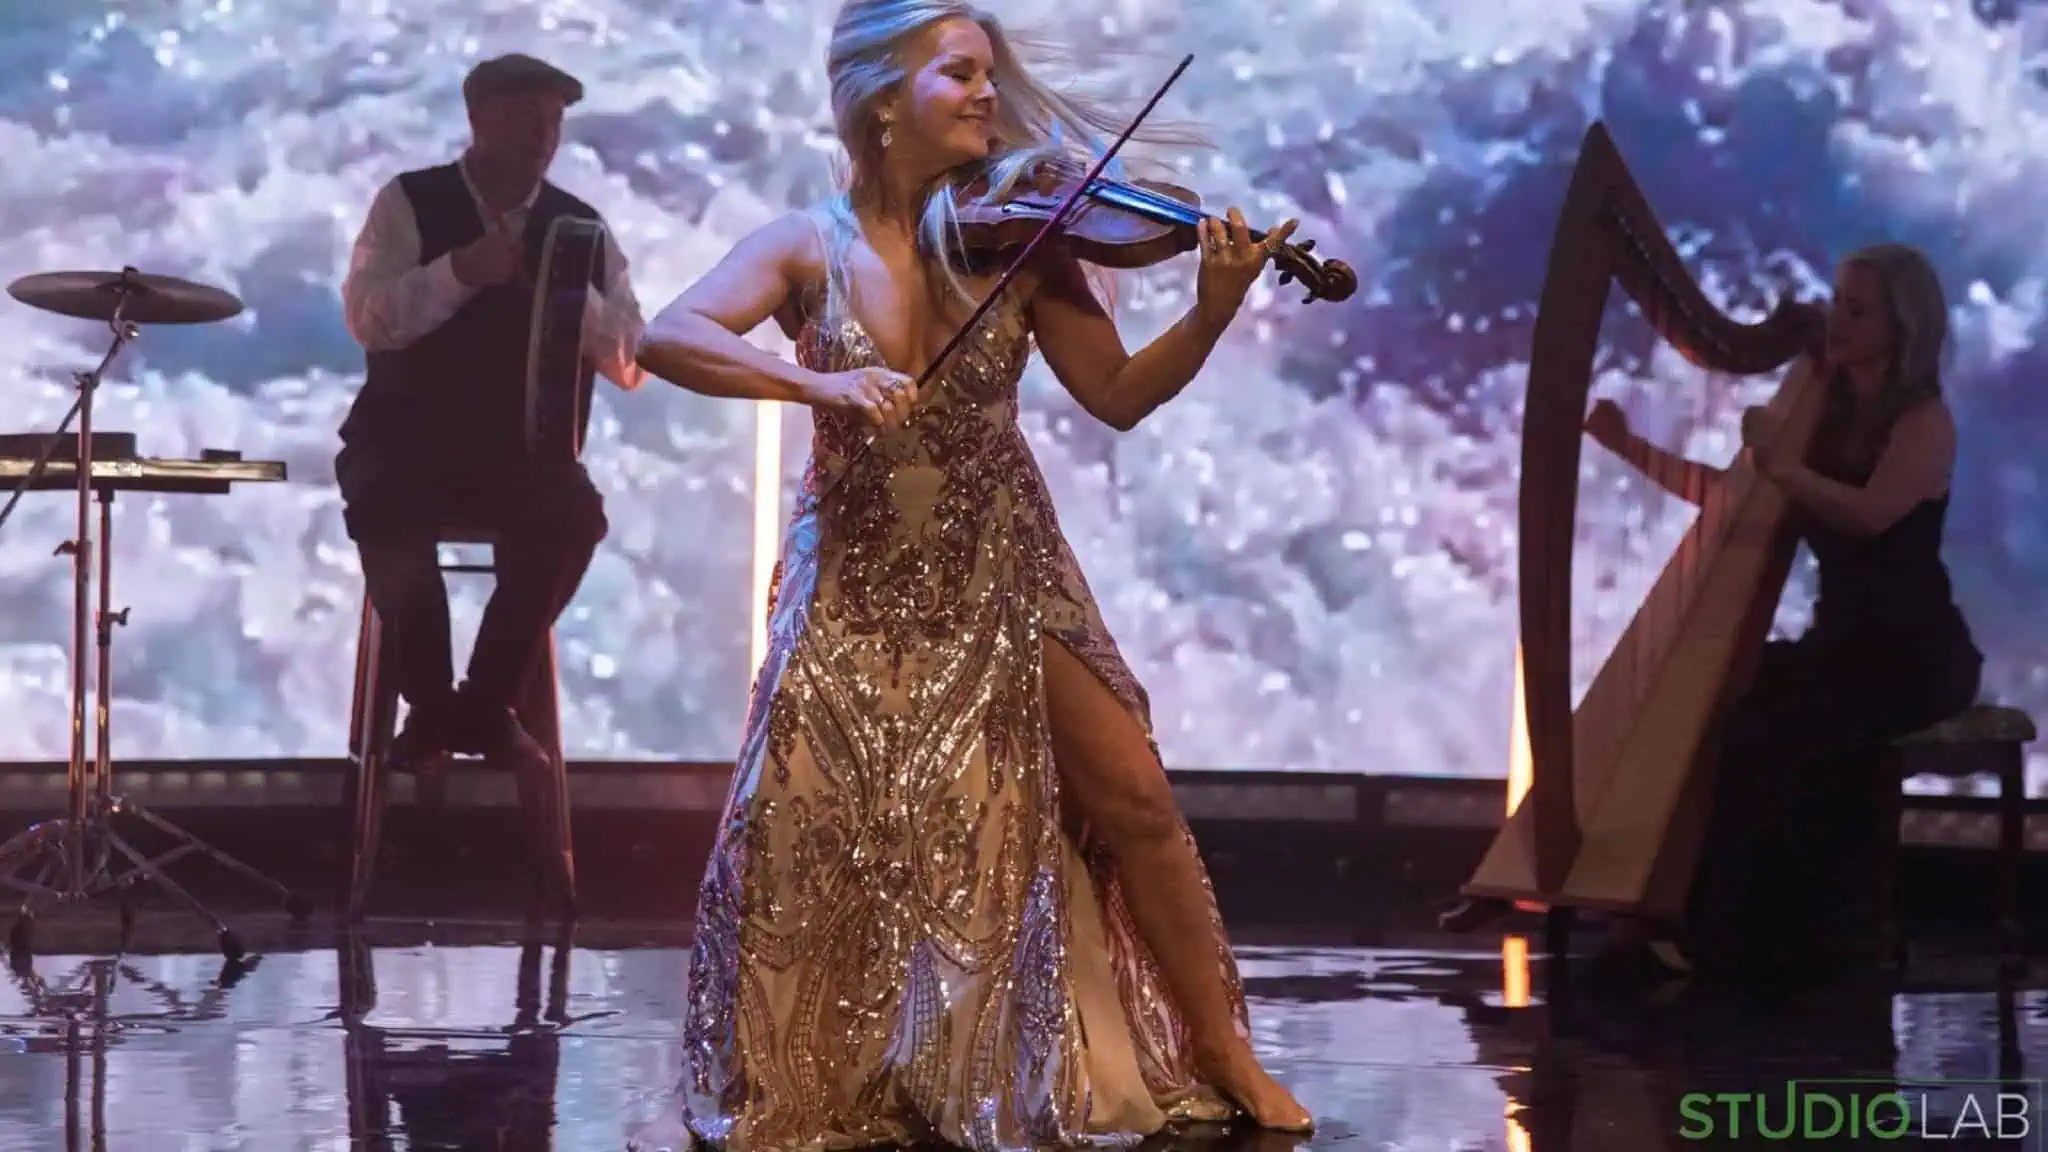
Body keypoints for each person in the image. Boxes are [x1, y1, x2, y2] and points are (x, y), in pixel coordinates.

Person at [631, 1, 1314, 1146]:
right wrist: (818, 385)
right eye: (958, 74)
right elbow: (667, 335)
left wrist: (1207, 313)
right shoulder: (805, 245)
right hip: (853, 578)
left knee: (1134, 798)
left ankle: (1222, 1049)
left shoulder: (1023, 246)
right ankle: (864, 1065)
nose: (988, 96)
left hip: (1004, 559)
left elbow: (1118, 397)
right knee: (814, 833)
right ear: (881, 100)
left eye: (988, 75)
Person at [1445, 243, 1983, 981]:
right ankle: (1671, 917)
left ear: (1902, 327)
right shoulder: (1823, 417)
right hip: (1839, 643)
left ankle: (1749, 938)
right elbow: (1732, 499)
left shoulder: (1923, 422)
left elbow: (1870, 514)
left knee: (1767, 737)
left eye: (1858, 310)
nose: (1836, 320)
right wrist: (1630, 447)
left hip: (1913, 657)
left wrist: (1780, 467)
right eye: (1838, 301)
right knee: (1725, 714)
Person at [335, 53, 647, 902]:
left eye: (552, 121)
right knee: (389, 519)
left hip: (524, 457)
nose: (542, 136)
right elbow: (369, 318)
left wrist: (571, 297)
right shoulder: (409, 202)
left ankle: (464, 711)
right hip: (406, 445)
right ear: (478, 120)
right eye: (524, 118)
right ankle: (451, 707)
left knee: (572, 520)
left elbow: (630, 360)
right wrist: (460, 273)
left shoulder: (580, 229)